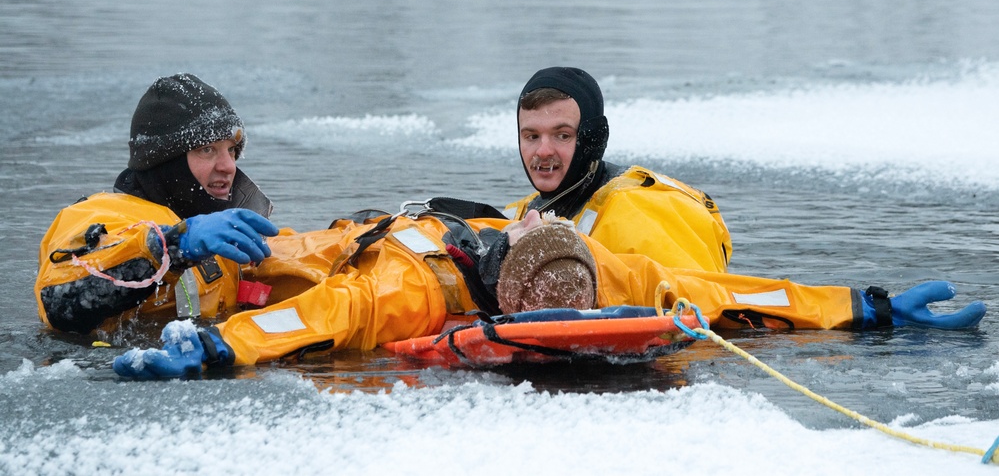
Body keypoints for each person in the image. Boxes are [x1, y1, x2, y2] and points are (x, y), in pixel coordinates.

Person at [112, 207, 985, 379]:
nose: (528, 220)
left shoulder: (612, 273)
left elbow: (729, 295)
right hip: (328, 248)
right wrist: (222, 337)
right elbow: (326, 309)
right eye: (527, 227)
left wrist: (864, 305)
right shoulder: (411, 281)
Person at [34, 73, 280, 334]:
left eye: (231, 150)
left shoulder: (223, 229)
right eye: (207, 149)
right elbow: (59, 302)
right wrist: (170, 247)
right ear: (167, 162)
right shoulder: (95, 216)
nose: (229, 166)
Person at [505, 66, 732, 273]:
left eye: (562, 135)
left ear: (592, 140)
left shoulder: (640, 212)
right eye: (532, 136)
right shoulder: (517, 216)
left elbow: (696, 299)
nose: (543, 151)